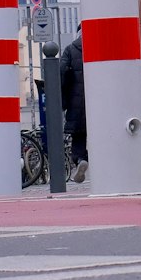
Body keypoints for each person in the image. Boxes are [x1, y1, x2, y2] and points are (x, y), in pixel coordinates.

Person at [59, 33, 87, 184]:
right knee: (102, 134)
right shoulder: (98, 47)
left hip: (76, 101)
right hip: (99, 102)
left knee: (79, 135)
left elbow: (62, 74)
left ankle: (81, 159)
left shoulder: (70, 50)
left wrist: (63, 101)